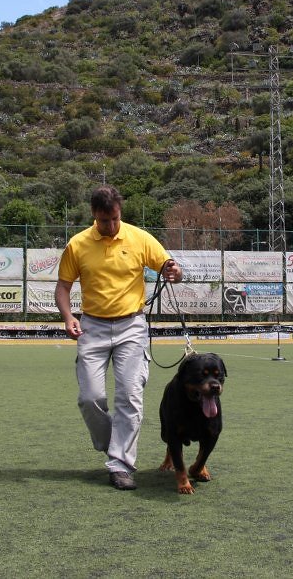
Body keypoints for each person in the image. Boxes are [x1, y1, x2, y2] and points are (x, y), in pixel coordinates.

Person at [55, 185, 183, 490]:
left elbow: (167, 264)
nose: (110, 226)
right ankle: (113, 442)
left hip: (132, 327)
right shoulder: (78, 244)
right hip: (92, 327)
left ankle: (121, 464)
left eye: (114, 219)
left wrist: (174, 270)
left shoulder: (139, 238)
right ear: (93, 216)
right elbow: (63, 287)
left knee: (130, 398)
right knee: (90, 399)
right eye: (103, 221)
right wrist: (68, 317)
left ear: (119, 212)